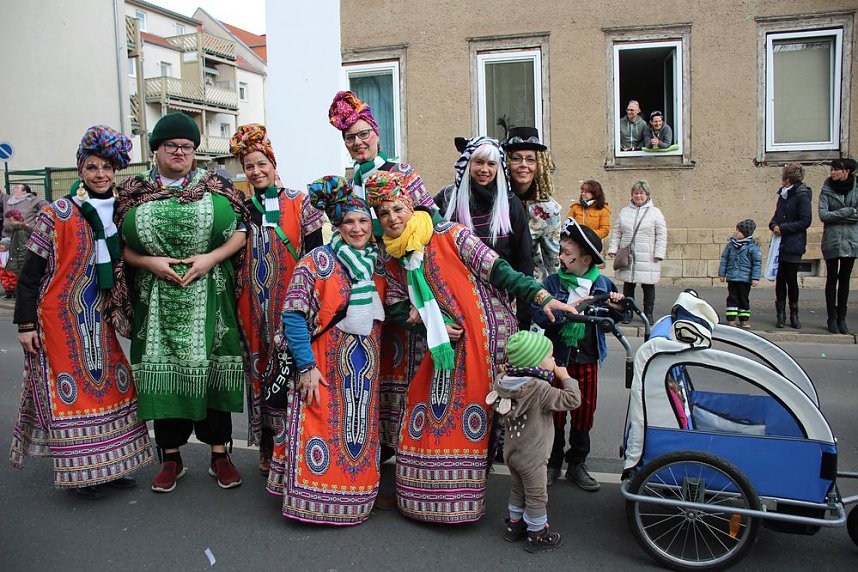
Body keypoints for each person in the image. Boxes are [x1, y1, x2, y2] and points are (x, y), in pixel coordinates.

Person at [365, 170, 581, 524]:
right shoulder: (390, 259)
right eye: (384, 213)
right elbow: (393, 305)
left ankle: (463, 504)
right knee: (429, 418)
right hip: (437, 347)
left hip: (482, 342)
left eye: (397, 209)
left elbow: (500, 270)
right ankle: (423, 501)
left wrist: (542, 297)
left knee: (468, 420)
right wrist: (419, 320)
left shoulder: (450, 234)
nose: (392, 218)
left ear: (409, 206)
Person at [10, 125, 153, 500]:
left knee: (112, 389)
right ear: (80, 171)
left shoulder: (120, 212)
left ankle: (113, 467)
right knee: (73, 396)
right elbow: (30, 273)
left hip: (99, 318)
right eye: (92, 167)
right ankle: (83, 475)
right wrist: (26, 324)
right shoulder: (57, 213)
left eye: (107, 167)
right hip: (59, 319)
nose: (101, 174)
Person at [114, 112, 249, 493]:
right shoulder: (134, 190)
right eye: (171, 145)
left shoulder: (216, 186)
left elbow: (242, 231)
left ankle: (220, 455)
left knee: (212, 373)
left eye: (187, 147)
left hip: (210, 295)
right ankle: (170, 457)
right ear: (156, 149)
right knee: (163, 373)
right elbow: (121, 249)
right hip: (156, 300)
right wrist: (150, 262)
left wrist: (211, 258)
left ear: (195, 153)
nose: (179, 152)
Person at [328, 90, 438, 455]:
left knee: (409, 366)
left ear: (377, 134)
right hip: (365, 287)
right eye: (350, 137)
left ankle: (412, 449)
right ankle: (378, 451)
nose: (358, 142)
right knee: (375, 369)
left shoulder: (403, 172)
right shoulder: (348, 185)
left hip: (405, 282)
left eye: (363, 134)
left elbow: (431, 224)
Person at [276, 175, 387, 525]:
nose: (357, 228)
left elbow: (396, 307)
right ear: (337, 225)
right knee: (320, 426)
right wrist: (306, 366)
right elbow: (293, 315)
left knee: (359, 432)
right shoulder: (317, 262)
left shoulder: (379, 264)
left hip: (364, 372)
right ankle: (312, 503)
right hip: (322, 364)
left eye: (363, 221)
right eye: (349, 221)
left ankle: (355, 503)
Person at [229, 124, 324, 477]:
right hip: (254, 310)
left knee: (294, 373)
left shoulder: (302, 203)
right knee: (261, 375)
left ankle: (297, 444)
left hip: (294, 308)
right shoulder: (242, 208)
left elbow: (316, 255)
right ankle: (269, 444)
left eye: (260, 163)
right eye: (249, 166)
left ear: (273, 162)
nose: (256, 171)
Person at [538, 218, 624, 491]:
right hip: (557, 359)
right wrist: (563, 311)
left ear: (586, 259)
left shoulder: (603, 285)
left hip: (587, 359)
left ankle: (577, 463)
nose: (561, 257)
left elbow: (619, 316)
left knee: (584, 413)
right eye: (561, 251)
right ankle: (553, 462)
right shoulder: (552, 283)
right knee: (555, 412)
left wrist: (618, 307)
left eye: (567, 254)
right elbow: (539, 315)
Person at [488, 331, 581, 553]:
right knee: (537, 495)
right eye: (550, 357)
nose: (554, 361)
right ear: (534, 361)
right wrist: (566, 377)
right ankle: (537, 534)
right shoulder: (540, 389)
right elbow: (572, 400)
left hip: (512, 451)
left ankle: (514, 525)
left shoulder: (503, 381)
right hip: (534, 456)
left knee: (518, 489)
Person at [435, 136, 535, 329]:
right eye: (478, 162)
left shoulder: (510, 204)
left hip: (501, 304)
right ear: (468, 164)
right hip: (456, 306)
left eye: (491, 164)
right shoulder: (448, 200)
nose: (484, 170)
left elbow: (524, 260)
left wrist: (525, 319)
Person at [503, 127, 562, 280]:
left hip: (532, 285)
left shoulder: (548, 209)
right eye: (517, 158)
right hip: (496, 283)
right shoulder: (495, 200)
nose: (523, 165)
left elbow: (553, 259)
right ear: (508, 162)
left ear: (538, 165)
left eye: (530, 159)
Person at [608, 180, 667, 323]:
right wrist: (612, 248)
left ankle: (648, 313)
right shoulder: (624, 211)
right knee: (628, 285)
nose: (638, 196)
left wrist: (659, 253)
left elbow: (661, 234)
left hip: (648, 255)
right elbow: (617, 232)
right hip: (628, 254)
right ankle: (628, 312)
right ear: (632, 195)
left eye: (641, 193)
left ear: (647, 195)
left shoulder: (655, 213)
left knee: (648, 285)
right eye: (636, 193)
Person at [769, 162, 812, 329]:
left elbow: (805, 221)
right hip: (780, 244)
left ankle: (794, 313)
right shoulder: (783, 195)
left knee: (791, 279)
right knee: (780, 279)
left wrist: (784, 228)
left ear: (787, 179)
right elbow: (776, 217)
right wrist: (773, 225)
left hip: (794, 244)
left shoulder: (802, 195)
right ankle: (780, 314)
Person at [819, 158, 858, 334]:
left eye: (836, 169)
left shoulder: (856, 188)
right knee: (832, 278)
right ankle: (831, 318)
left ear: (846, 171)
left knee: (844, 280)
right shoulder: (826, 188)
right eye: (832, 169)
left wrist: (837, 216)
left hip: (851, 239)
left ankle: (842, 317)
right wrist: (848, 211)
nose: (832, 172)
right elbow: (823, 215)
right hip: (832, 239)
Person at [718, 219, 762, 328]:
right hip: (732, 277)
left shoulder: (753, 247)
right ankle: (731, 319)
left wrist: (755, 278)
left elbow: (757, 263)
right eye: (736, 230)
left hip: (745, 278)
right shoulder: (731, 245)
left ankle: (744, 320)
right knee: (732, 298)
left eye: (738, 231)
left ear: (745, 233)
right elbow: (724, 259)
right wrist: (722, 274)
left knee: (743, 299)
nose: (736, 232)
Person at [3, 210, 30, 298]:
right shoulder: (17, 229)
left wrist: (21, 265)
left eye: (8, 219)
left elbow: (23, 248)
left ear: (12, 218)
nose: (7, 222)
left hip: (19, 264)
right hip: (18, 263)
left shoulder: (20, 230)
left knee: (20, 282)